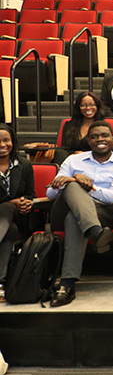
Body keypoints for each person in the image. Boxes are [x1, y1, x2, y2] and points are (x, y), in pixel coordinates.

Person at [46, 121, 113, 307]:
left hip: (101, 212)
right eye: (94, 136)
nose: (99, 140)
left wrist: (88, 186)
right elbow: (50, 193)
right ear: (88, 140)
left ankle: (67, 285)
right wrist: (74, 180)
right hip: (62, 210)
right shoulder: (73, 160)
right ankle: (96, 232)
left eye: (104, 136)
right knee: (71, 186)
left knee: (75, 218)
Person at [0, 124, 33, 297]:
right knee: (10, 230)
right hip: (7, 223)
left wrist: (26, 203)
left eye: (6, 140)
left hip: (21, 217)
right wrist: (11, 202)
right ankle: (0, 283)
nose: (3, 145)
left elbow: (30, 195)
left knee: (8, 209)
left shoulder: (24, 165)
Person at [58, 92, 113, 162]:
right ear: (78, 107)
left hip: (93, 160)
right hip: (72, 160)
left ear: (97, 106)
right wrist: (73, 156)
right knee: (59, 153)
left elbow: (103, 149)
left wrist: (83, 155)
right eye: (83, 105)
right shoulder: (69, 124)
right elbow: (65, 147)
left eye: (92, 105)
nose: (88, 108)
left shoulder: (102, 126)